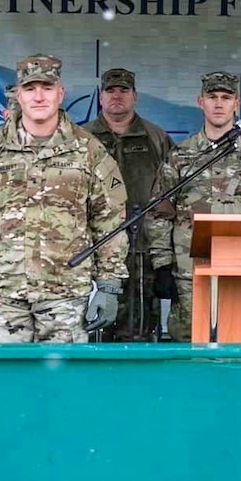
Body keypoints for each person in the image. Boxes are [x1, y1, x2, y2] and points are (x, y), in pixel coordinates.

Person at [0, 55, 128, 344]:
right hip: (3, 292)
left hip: (65, 294)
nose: (39, 96)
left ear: (60, 93)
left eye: (47, 87)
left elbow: (110, 222)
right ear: (18, 95)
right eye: (30, 89)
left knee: (62, 383)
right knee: (6, 381)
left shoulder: (89, 151)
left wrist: (109, 284)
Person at [146, 71, 241, 342]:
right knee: (189, 343)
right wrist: (163, 265)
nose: (219, 104)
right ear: (201, 102)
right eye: (212, 97)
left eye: (226, 97)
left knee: (240, 338)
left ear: (237, 104)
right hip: (189, 272)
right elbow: (159, 212)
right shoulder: (181, 155)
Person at [83, 68, 174, 340]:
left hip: (142, 252)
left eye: (124, 90)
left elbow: (171, 194)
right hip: (93, 250)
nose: (117, 96)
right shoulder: (83, 138)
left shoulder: (155, 138)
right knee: (92, 331)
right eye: (111, 91)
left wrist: (164, 256)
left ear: (135, 96)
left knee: (139, 332)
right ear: (101, 97)